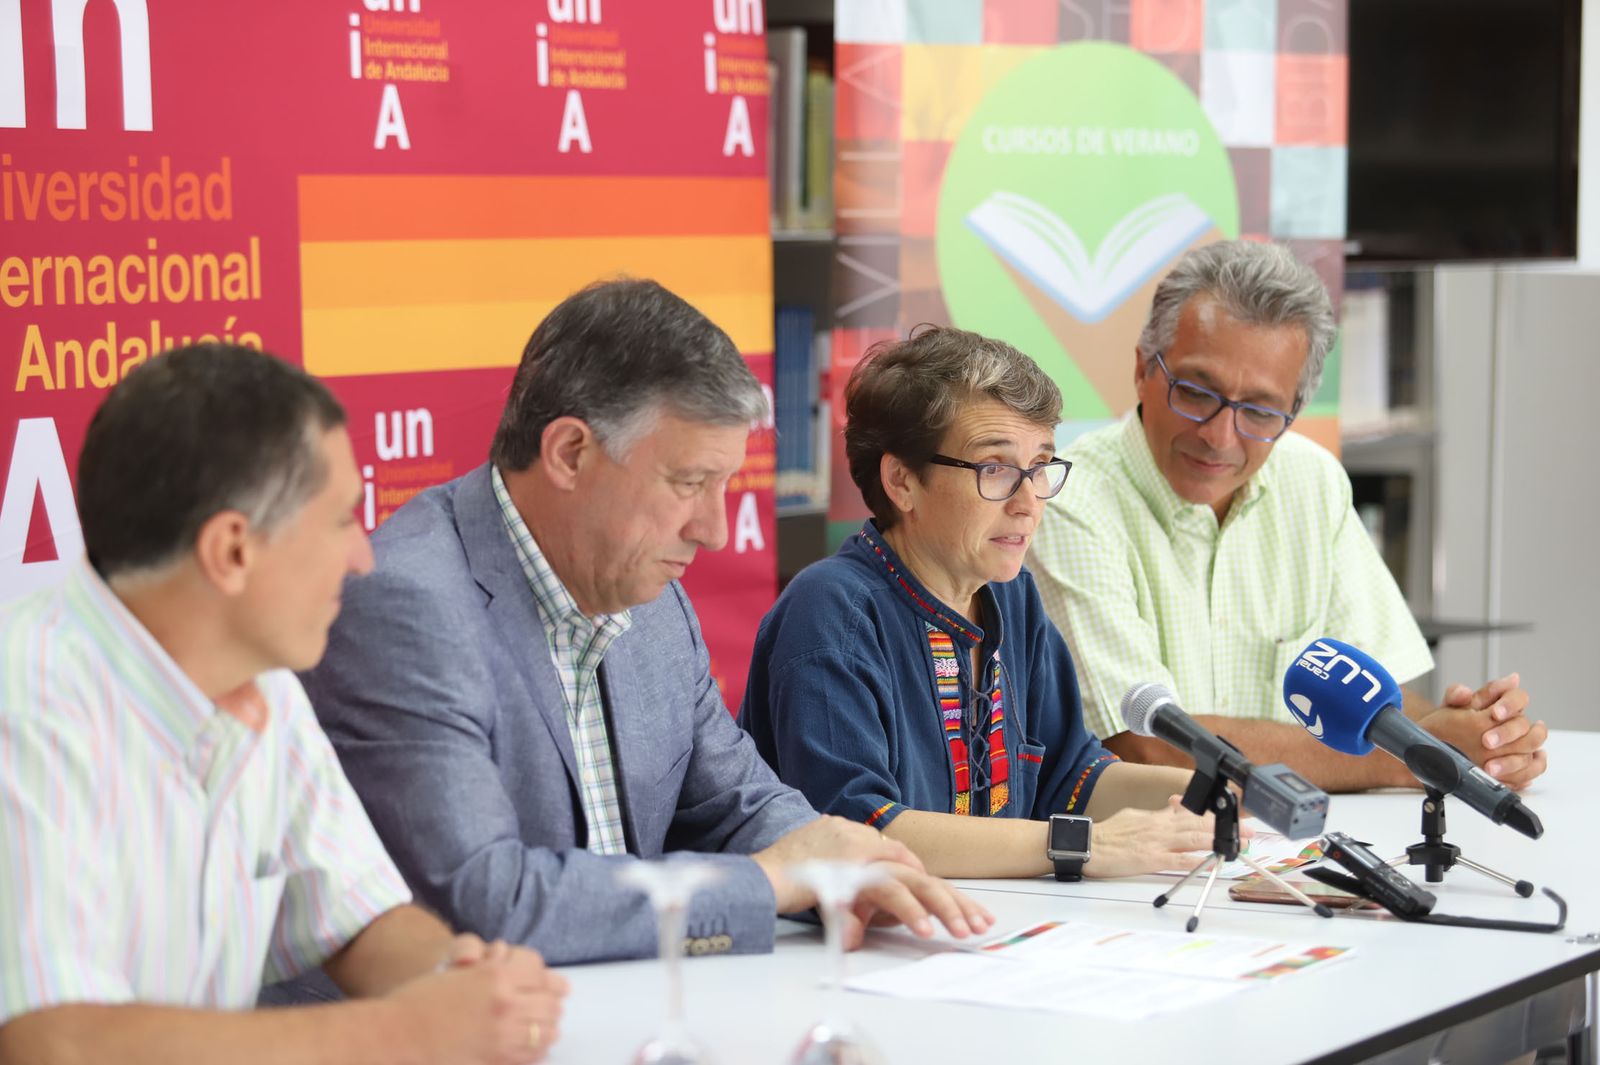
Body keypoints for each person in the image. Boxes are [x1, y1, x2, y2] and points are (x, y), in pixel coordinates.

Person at [301, 278, 991, 966]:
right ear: (570, 452)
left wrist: (852, 868)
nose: (715, 529)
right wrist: (770, 880)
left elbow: (737, 803)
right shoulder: (406, 605)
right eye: (689, 483)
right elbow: (486, 900)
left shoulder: (651, 593)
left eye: (723, 485)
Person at [0, 344, 567, 1065]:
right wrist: (406, 1033)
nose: (363, 557)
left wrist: (467, 986)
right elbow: (51, 1041)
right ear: (232, 551)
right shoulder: (26, 707)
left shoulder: (261, 681)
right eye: (340, 521)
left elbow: (355, 918)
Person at [1027, 240, 1548, 792]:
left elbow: (1377, 703)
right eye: (1198, 392)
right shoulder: (1067, 498)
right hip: (1137, 862)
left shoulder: (1312, 480)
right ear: (1141, 370)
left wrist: (1479, 739)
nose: (1219, 436)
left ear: (1294, 412)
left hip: (1301, 847)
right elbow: (1149, 748)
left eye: (1258, 410)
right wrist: (1415, 755)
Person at [740, 326, 1218, 880]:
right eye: (995, 469)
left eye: (1040, 467)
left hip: (998, 928)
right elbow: (858, 831)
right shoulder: (831, 612)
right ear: (901, 481)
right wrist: (1084, 845)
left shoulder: (1011, 597)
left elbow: (1072, 778)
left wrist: (1218, 789)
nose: (1028, 502)